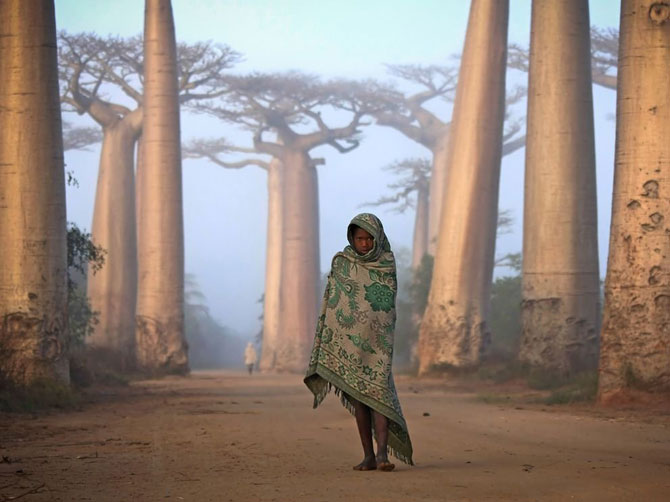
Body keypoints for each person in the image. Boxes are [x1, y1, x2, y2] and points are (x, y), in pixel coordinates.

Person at [304, 213, 413, 471]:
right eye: (359, 238)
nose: (364, 244)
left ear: (377, 238)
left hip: (378, 344)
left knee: (380, 396)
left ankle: (383, 454)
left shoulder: (386, 262)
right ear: (351, 238)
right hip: (350, 345)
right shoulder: (342, 263)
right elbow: (332, 303)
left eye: (368, 239)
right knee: (360, 402)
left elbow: (386, 304)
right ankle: (368, 456)